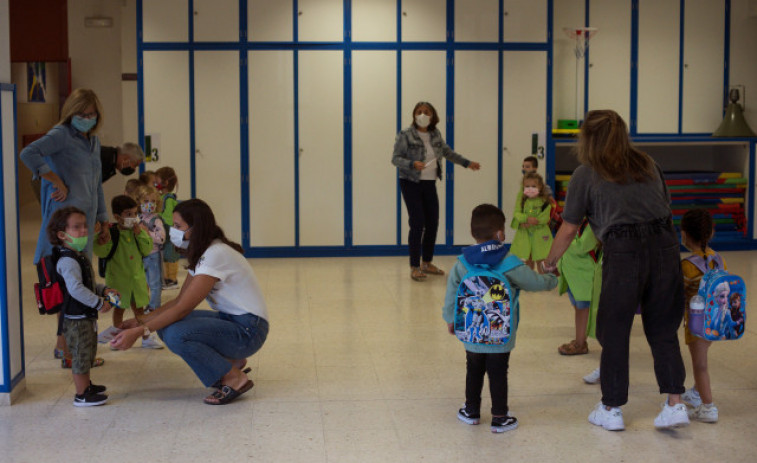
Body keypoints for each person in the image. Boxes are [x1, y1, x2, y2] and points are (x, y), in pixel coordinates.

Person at [542, 109, 689, 431]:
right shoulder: (648, 163)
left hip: (624, 251)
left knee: (614, 329)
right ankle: (675, 402)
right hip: (665, 245)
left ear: (587, 139)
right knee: (664, 328)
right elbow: (666, 207)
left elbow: (569, 228)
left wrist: (550, 263)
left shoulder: (586, 173)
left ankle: (611, 408)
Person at [110, 199, 269, 406]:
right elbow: (179, 300)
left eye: (178, 226)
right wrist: (141, 321)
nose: (173, 231)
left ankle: (234, 378)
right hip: (235, 321)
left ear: (196, 228)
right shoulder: (205, 251)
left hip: (249, 331)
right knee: (163, 324)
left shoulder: (215, 254)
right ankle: (230, 364)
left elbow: (183, 308)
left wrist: (140, 331)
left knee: (177, 334)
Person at [443, 204, 557, 433]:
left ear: (473, 234)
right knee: (498, 372)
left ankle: (471, 411)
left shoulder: (463, 263)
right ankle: (499, 417)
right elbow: (535, 282)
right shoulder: (509, 262)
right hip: (500, 332)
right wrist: (552, 278)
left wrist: (450, 318)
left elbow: (452, 293)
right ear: (501, 234)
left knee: (473, 369)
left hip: (472, 331)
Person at [19, 88, 110, 360]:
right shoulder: (61, 135)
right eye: (82, 114)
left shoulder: (92, 142)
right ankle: (68, 348)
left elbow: (96, 186)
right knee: (68, 287)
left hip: (85, 226)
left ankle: (66, 345)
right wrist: (53, 179)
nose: (87, 118)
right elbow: (29, 153)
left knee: (80, 282)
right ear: (72, 114)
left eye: (92, 114)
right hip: (65, 228)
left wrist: (103, 219)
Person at [392, 101, 481, 281]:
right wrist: (411, 164)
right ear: (414, 115)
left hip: (429, 183)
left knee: (432, 222)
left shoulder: (435, 134)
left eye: (427, 112)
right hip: (410, 182)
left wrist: (467, 163)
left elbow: (447, 153)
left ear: (433, 116)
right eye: (419, 111)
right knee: (417, 223)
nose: (423, 115)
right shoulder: (406, 134)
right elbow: (395, 158)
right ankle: (415, 266)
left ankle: (427, 262)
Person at [47, 207, 117, 405]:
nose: (84, 231)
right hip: (75, 319)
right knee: (80, 354)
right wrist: (98, 302)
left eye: (85, 226)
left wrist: (104, 290)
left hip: (84, 317)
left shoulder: (77, 255)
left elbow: (88, 283)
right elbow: (76, 289)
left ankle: (87, 385)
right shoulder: (68, 260)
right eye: (76, 228)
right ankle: (81, 395)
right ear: (62, 235)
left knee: (86, 352)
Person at [94, 195, 162, 349]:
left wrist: (140, 233)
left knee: (140, 310)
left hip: (137, 280)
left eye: (135, 213)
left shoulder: (139, 231)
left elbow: (146, 249)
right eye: (128, 214)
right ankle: (118, 339)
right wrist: (100, 238)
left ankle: (146, 337)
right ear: (117, 217)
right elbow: (102, 252)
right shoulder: (112, 233)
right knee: (118, 310)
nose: (133, 217)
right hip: (117, 282)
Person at [679, 209, 722, 422]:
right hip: (718, 321)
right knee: (702, 359)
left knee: (700, 366)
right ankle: (696, 392)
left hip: (697, 325)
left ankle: (708, 407)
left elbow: (680, 295)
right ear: (711, 233)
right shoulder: (718, 259)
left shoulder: (687, 266)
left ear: (684, 235)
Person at [556, 221, 599, 355]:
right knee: (578, 308)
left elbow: (582, 246)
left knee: (583, 309)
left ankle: (581, 343)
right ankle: (580, 340)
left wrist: (563, 242)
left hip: (584, 275)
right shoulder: (577, 221)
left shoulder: (592, 223)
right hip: (572, 273)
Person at [510, 172, 553, 270]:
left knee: (540, 259)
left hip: (539, 235)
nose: (530, 188)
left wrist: (532, 222)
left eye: (534, 186)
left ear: (540, 187)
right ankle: (530, 282)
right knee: (527, 258)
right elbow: (516, 213)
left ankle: (542, 283)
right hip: (525, 235)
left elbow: (545, 217)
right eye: (527, 186)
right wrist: (526, 219)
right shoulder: (522, 199)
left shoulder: (544, 201)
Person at [136, 184, 165, 313]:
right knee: (144, 283)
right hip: (141, 256)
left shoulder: (156, 220)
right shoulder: (138, 218)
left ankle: (154, 307)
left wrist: (148, 233)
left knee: (154, 283)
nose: (150, 204)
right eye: (146, 201)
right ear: (139, 202)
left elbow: (162, 238)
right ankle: (146, 304)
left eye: (153, 201)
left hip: (153, 255)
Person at [155, 166, 181, 289]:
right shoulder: (161, 197)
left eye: (157, 181)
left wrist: (169, 230)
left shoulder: (169, 198)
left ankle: (172, 279)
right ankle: (166, 277)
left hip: (169, 230)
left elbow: (170, 217)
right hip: (163, 230)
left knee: (171, 255)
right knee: (165, 255)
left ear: (165, 183)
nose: (156, 183)